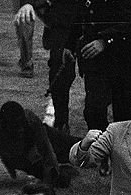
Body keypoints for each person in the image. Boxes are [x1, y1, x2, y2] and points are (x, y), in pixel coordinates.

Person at [69, 0, 131, 130]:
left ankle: (123, 148)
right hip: (96, 61)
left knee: (124, 115)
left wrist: (105, 40)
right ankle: (101, 146)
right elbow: (79, 15)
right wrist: (69, 45)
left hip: (124, 60)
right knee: (93, 110)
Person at [0, 102, 78, 189]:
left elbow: (46, 148)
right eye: (15, 126)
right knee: (60, 181)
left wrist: (52, 168)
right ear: (3, 124)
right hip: (20, 154)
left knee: (75, 145)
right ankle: (65, 170)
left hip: (40, 136)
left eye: (21, 124)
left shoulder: (30, 120)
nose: (20, 129)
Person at [15, 1, 80, 131]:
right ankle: (61, 123)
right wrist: (28, 3)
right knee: (60, 72)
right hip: (64, 20)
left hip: (94, 18)